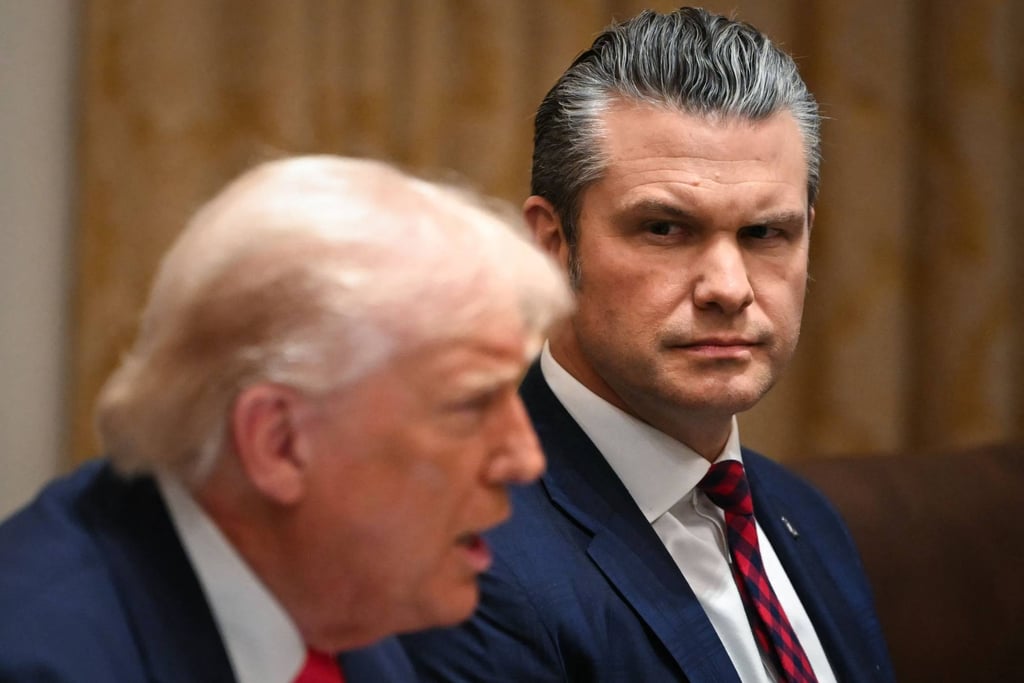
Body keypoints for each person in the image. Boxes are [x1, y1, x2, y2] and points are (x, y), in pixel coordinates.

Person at [401, 7, 895, 682]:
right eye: (665, 229)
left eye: (764, 234)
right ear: (553, 244)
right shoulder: (467, 553)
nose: (728, 288)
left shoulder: (806, 515)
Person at [0, 155, 572, 682]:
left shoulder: (342, 597)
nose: (526, 459)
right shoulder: (40, 659)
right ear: (279, 442)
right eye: (471, 404)